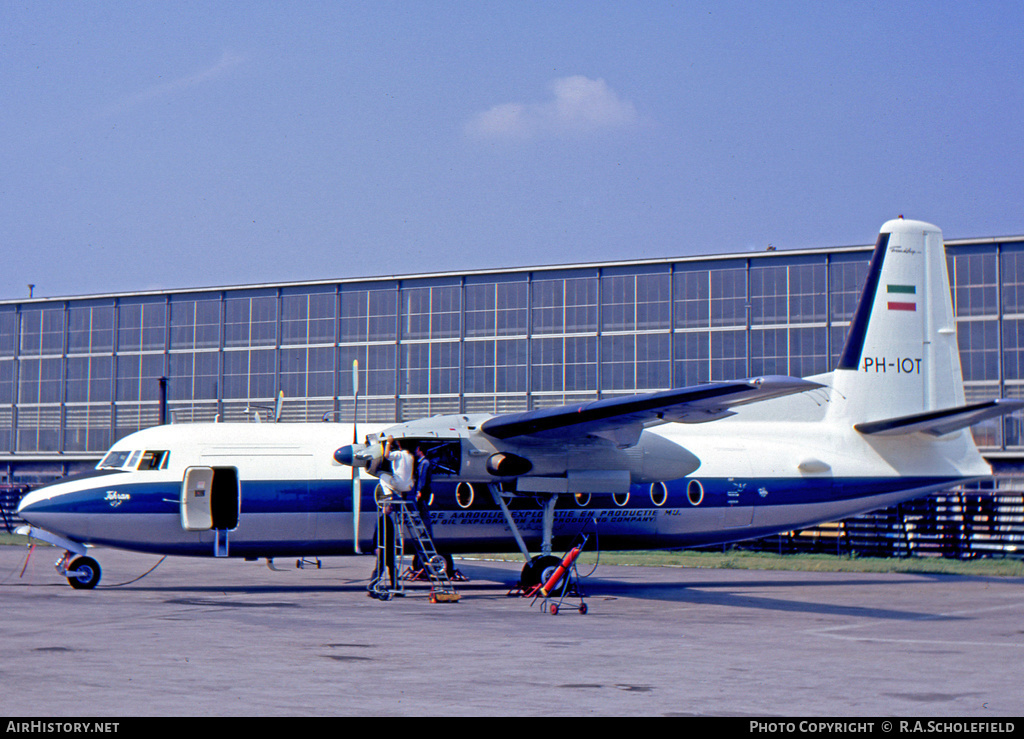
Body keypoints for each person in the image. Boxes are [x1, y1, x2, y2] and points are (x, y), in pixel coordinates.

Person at [410, 446, 434, 540]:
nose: (416, 451)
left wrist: (419, 491)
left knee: (424, 512)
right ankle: (425, 532)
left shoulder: (425, 463)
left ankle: (427, 533)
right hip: (423, 490)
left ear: (420, 451)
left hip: (424, 491)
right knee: (422, 512)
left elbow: (422, 478)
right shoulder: (422, 462)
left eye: (417, 450)